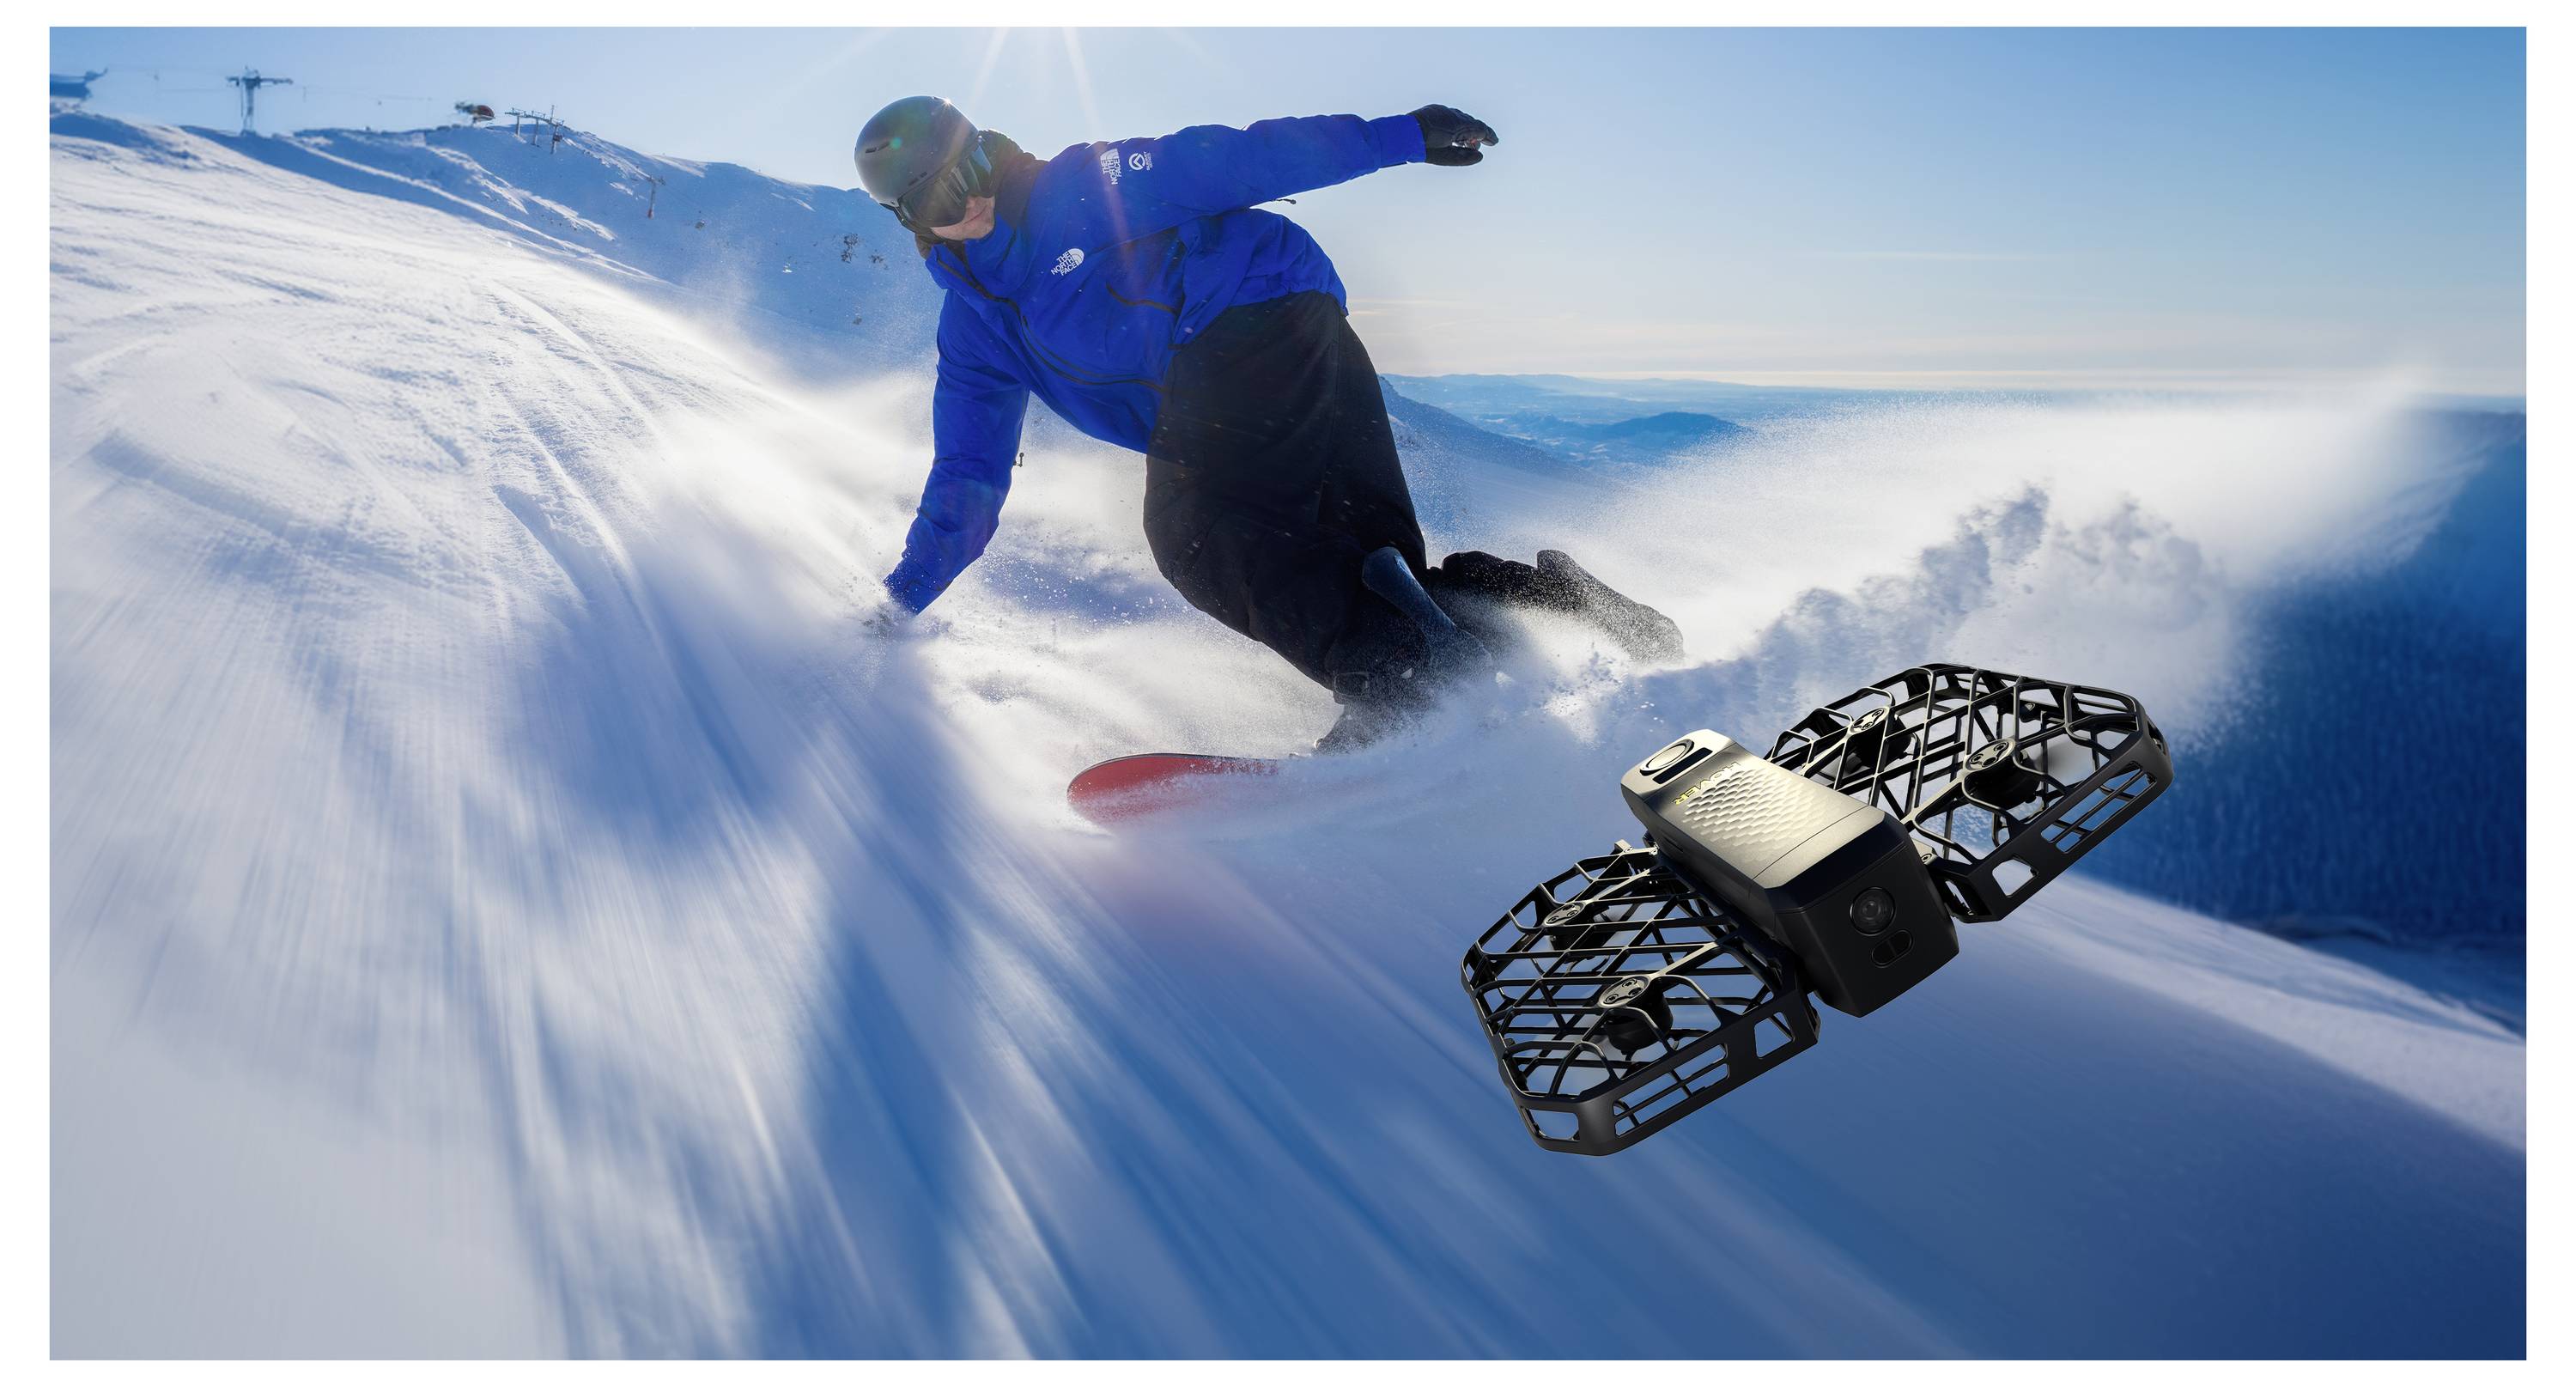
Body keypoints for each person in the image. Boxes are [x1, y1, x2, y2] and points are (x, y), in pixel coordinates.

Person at [854, 95, 1680, 748]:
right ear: (909, 220)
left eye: (967, 174)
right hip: (1278, 354)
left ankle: (1397, 686)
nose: (967, 205)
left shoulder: (1086, 185)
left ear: (985, 149)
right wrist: (902, 601)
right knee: (1361, 557)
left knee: (1194, 533)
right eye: (933, 201)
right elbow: (968, 471)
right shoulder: (976, 331)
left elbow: (1238, 158)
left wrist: (1399, 135)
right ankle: (1556, 605)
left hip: (1251, 314)